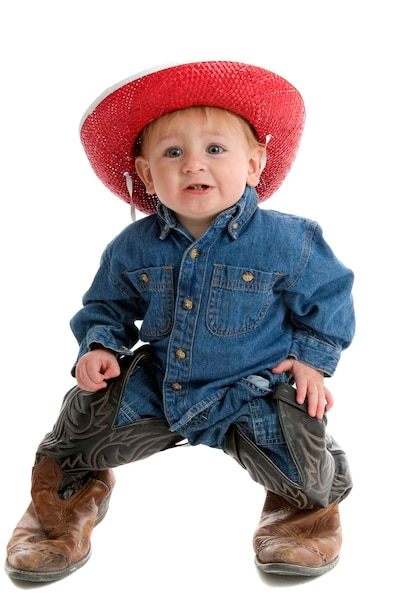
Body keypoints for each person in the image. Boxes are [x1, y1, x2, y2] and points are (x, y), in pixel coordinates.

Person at [5, 60, 355, 583]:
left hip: (254, 386)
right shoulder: (132, 247)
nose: (194, 165)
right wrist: (98, 346)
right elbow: (107, 307)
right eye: (173, 153)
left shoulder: (290, 240)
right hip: (162, 380)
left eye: (215, 149)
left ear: (255, 163)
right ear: (146, 175)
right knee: (81, 422)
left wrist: (312, 362)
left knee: (302, 464)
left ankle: (304, 513)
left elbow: (327, 297)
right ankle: (66, 507)